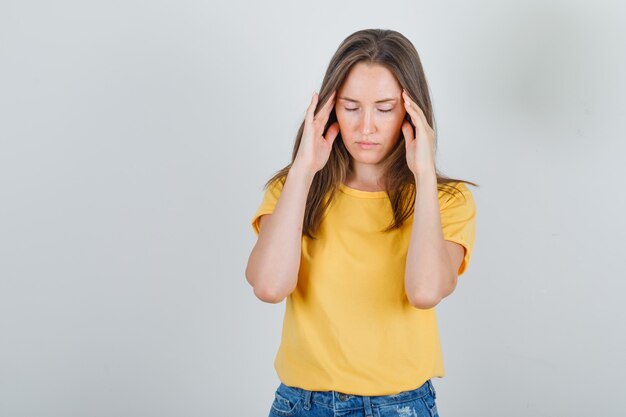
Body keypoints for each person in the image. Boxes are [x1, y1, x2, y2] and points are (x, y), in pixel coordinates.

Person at [246, 28, 477, 417]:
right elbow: (269, 286)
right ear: (329, 109)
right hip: (301, 404)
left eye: (385, 109)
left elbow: (425, 292)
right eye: (350, 107)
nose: (365, 127)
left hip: (399, 406)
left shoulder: (446, 200)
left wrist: (423, 176)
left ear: (411, 111)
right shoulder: (293, 189)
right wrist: (304, 170)